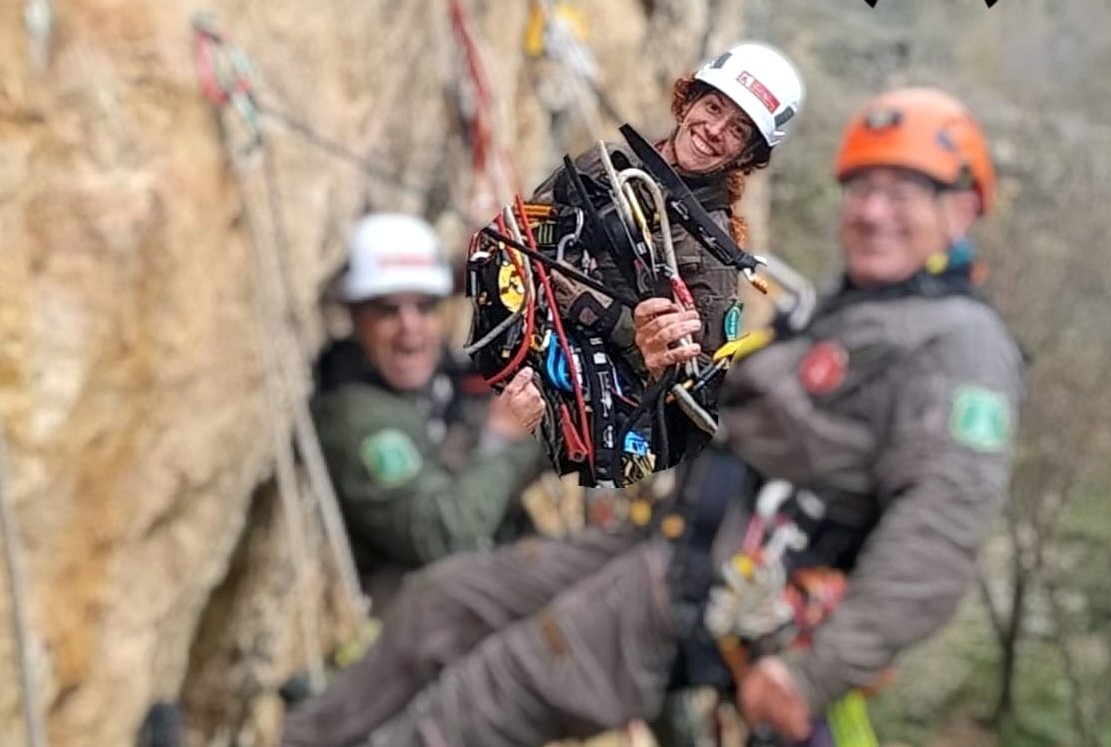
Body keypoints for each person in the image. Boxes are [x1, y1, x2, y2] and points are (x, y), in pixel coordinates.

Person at [313, 86, 1025, 747]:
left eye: (904, 193)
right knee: (446, 601)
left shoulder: (958, 346)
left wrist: (816, 672)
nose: (873, 211)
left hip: (722, 596)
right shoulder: (846, 312)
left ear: (962, 211)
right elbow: (706, 417)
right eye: (863, 189)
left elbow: (939, 531)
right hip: (669, 539)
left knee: (487, 691)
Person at [467, 41, 806, 486]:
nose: (714, 129)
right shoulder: (606, 163)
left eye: (738, 129)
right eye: (713, 106)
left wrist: (616, 324)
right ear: (688, 102)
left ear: (745, 155)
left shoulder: (711, 259)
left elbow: (691, 407)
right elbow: (522, 230)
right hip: (502, 350)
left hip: (574, 423)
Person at [307, 212, 546, 613]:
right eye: (388, 311)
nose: (410, 328)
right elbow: (444, 536)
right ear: (356, 318)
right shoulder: (358, 417)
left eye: (425, 307)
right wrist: (503, 438)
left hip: (490, 589)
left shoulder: (445, 383)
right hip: (426, 622)